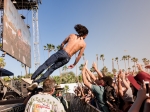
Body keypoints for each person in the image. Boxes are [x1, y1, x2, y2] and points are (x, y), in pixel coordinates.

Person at [27, 24, 88, 91]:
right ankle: (37, 82)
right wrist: (74, 64)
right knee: (51, 69)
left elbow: (62, 44)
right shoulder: (83, 44)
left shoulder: (72, 35)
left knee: (46, 64)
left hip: (62, 52)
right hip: (67, 58)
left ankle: (32, 78)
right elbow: (79, 56)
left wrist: (60, 50)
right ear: (85, 34)